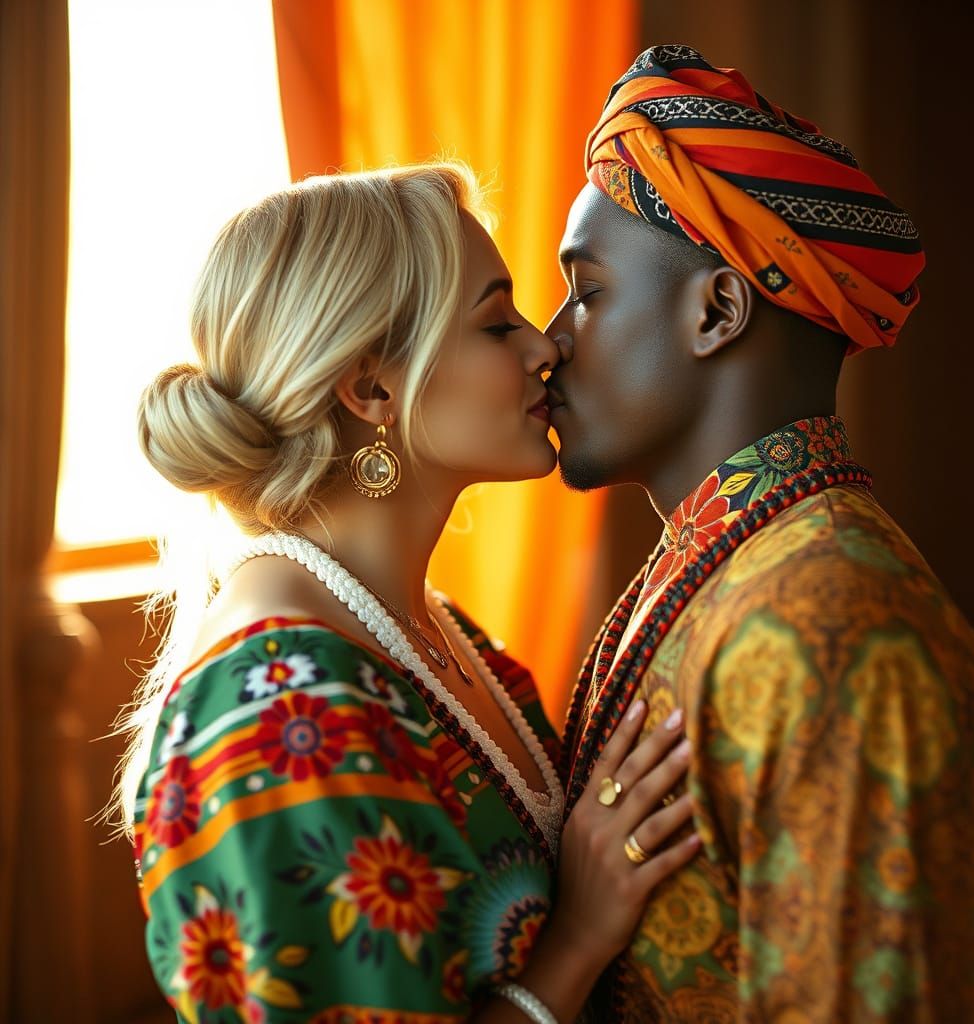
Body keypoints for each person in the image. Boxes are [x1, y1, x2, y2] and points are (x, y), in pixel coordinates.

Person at [121, 164, 704, 1023]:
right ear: (372, 388)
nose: (547, 345)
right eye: (497, 323)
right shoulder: (277, 713)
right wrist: (578, 938)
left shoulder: (448, 641)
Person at [547, 45, 974, 1022]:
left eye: (587, 293)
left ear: (717, 309)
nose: (549, 338)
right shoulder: (727, 566)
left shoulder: (836, 634)